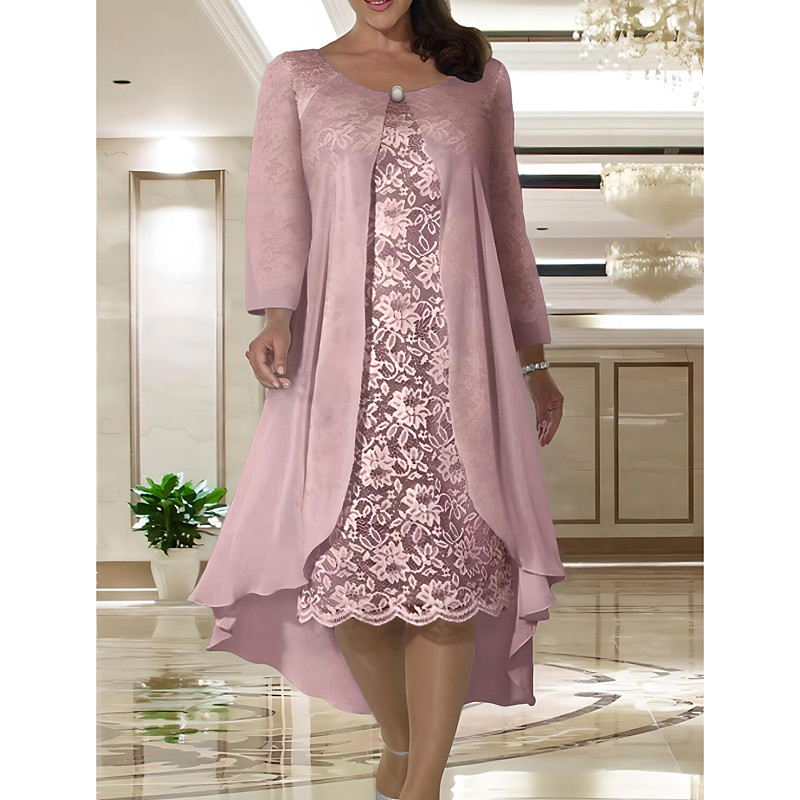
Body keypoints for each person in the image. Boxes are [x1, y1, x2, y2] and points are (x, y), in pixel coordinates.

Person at [189, 1, 566, 798]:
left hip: (458, 375)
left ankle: (424, 782)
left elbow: (507, 218)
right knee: (347, 585)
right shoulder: (297, 76)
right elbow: (278, 205)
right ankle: (399, 745)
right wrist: (275, 315)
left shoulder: (480, 80)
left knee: (450, 584)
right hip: (342, 375)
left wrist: (533, 356)